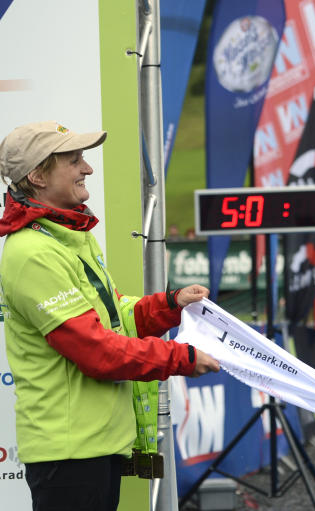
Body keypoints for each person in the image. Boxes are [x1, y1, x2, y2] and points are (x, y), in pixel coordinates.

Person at [0, 121, 220, 511]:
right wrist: (181, 358)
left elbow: (115, 318)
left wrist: (171, 304)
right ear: (37, 176)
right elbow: (97, 351)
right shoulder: (32, 252)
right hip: (69, 455)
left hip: (97, 447)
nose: (87, 168)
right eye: (74, 160)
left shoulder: (70, 235)